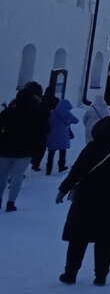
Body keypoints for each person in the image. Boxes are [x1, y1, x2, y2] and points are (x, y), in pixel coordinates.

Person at [56, 117, 110, 286]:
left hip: (87, 196)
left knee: (78, 237)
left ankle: (70, 273)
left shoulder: (92, 147)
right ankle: (101, 276)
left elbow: (77, 170)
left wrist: (63, 190)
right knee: (106, 239)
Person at [0, 83, 44, 211]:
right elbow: (42, 131)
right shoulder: (35, 114)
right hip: (24, 151)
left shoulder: (8, 112)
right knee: (17, 177)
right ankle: (11, 203)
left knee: (2, 176)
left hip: (5, 150)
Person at [44, 93, 79, 174]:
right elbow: (76, 120)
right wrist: (68, 121)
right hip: (62, 136)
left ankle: (48, 170)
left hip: (52, 135)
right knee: (62, 152)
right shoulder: (67, 113)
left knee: (51, 153)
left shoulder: (52, 112)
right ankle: (61, 167)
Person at [29, 85, 56, 172]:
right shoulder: (55, 100)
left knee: (35, 144)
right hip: (45, 127)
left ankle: (33, 159)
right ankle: (36, 163)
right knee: (42, 147)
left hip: (35, 126)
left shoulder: (41, 99)